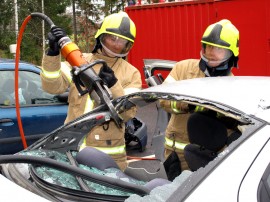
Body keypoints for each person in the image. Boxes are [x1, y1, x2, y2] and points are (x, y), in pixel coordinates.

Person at [41, 11, 142, 170]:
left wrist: (114, 85)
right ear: (101, 37)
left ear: (128, 45)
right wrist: (52, 54)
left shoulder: (132, 73)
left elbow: (127, 113)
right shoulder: (79, 61)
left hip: (108, 159)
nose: (116, 45)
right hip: (71, 149)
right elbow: (52, 86)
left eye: (123, 42)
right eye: (113, 38)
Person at [160, 19, 239, 171]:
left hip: (207, 158)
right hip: (175, 153)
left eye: (218, 49)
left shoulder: (233, 86)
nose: (211, 53)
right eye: (209, 47)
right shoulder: (182, 68)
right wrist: (188, 104)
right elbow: (163, 100)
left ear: (231, 53)